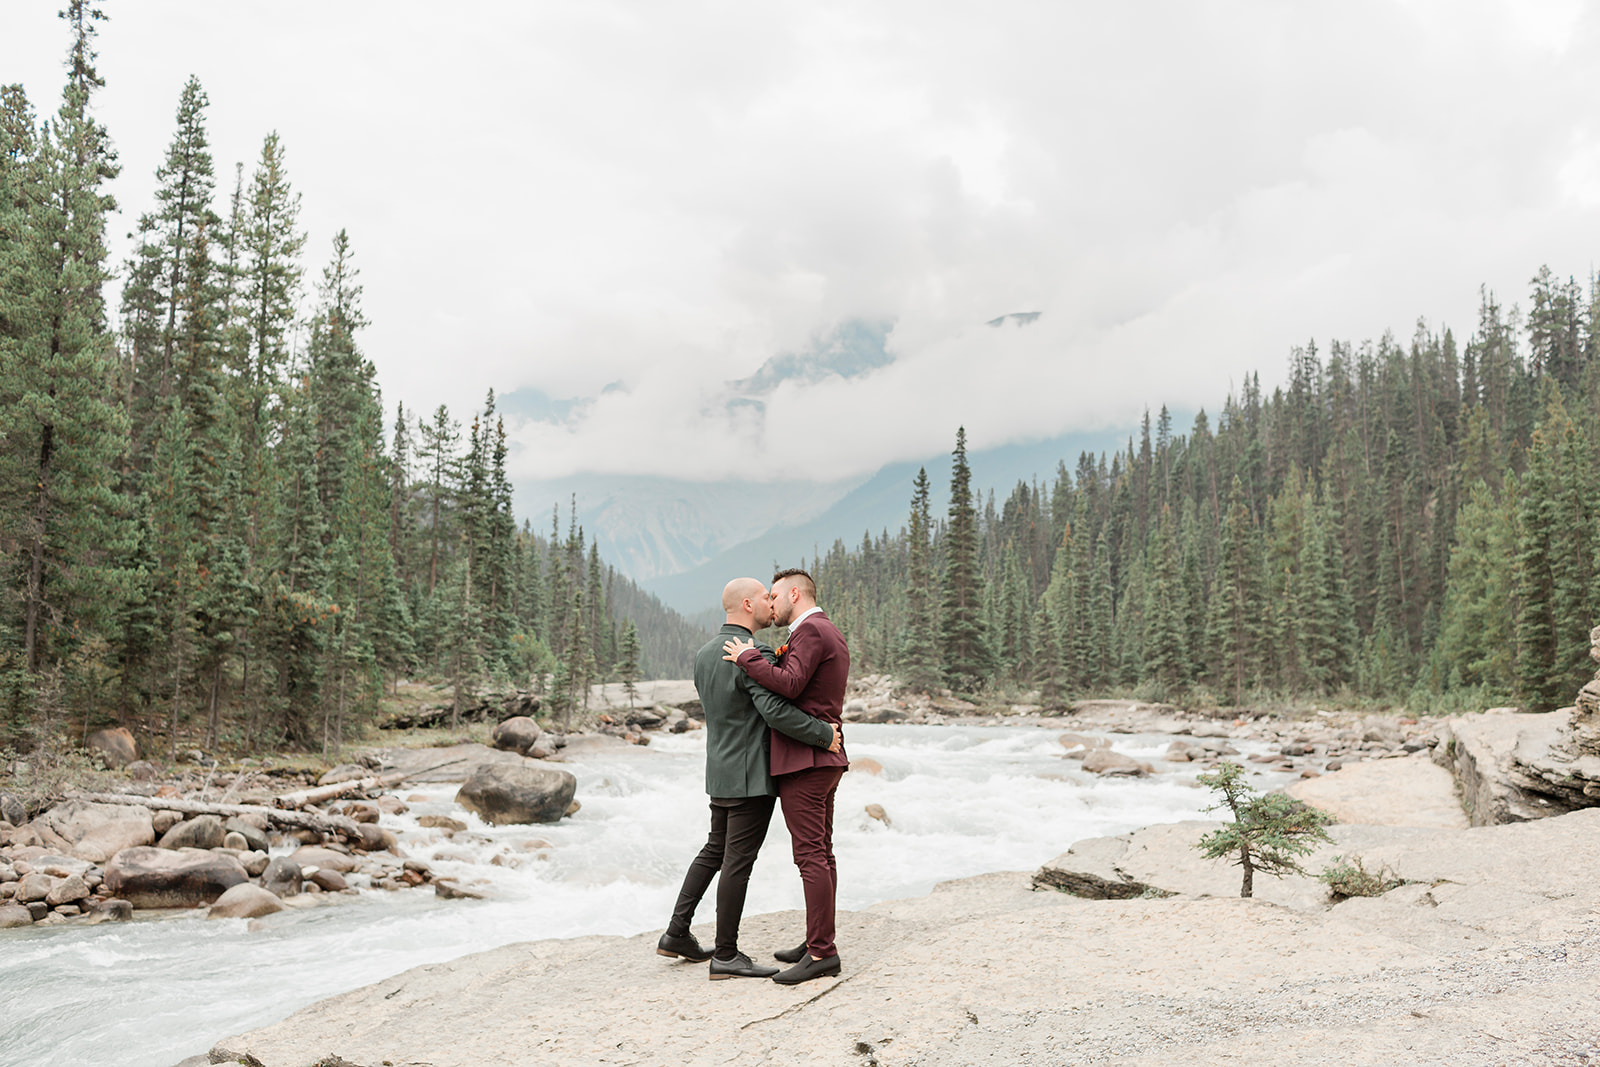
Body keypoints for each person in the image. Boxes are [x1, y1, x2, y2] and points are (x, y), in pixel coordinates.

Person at [657, 577, 841, 980]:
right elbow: (775, 711)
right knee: (738, 862)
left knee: (713, 851)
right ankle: (726, 954)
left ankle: (676, 933)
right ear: (746, 604)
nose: (771, 604)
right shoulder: (750, 652)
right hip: (751, 774)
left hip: (718, 769)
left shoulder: (705, 654)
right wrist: (824, 734)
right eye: (764, 597)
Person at [721, 567, 849, 985]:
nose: (770, 604)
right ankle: (817, 939)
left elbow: (791, 685)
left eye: (774, 596)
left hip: (806, 762)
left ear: (795, 593)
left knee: (810, 856)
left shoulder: (811, 632)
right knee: (822, 853)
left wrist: (748, 657)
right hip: (822, 758)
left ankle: (822, 953)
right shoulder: (824, 630)